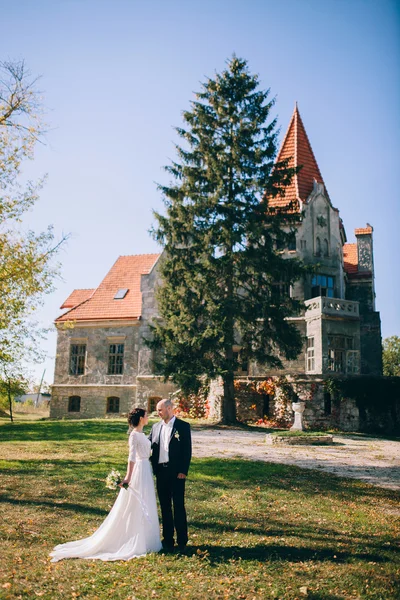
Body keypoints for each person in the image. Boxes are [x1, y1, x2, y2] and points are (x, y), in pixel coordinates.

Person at [49, 408, 161, 562]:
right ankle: (134, 538)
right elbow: (131, 457)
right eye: (147, 415)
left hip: (146, 470)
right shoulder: (134, 435)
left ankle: (146, 537)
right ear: (141, 418)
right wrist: (128, 477)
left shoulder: (142, 434)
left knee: (145, 501)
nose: (148, 417)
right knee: (136, 502)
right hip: (139, 472)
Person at [149, 398, 192, 552]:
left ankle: (182, 540)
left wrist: (183, 471)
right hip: (161, 472)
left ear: (169, 408)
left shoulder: (183, 427)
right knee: (165, 507)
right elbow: (148, 445)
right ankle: (168, 539)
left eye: (160, 410)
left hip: (177, 473)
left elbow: (187, 450)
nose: (158, 413)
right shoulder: (155, 427)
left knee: (178, 506)